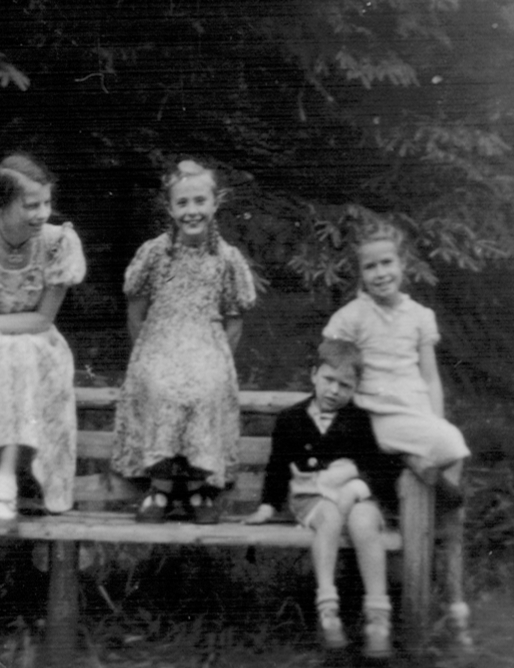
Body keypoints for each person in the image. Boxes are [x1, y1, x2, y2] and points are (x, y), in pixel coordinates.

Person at [111, 158, 256, 524]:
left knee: (206, 387)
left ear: (215, 202)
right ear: (170, 208)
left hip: (207, 344)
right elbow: (136, 312)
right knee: (160, 385)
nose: (192, 211)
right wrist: (144, 357)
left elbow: (234, 321)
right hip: (159, 341)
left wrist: (219, 363)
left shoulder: (226, 259)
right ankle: (159, 488)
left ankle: (198, 488)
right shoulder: (155, 254)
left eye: (199, 201)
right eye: (183, 203)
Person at [0, 152, 86, 534]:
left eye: (46, 203)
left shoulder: (57, 243)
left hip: (35, 341)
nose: (43, 213)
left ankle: (4, 478)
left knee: (23, 353)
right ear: (4, 204)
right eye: (31, 205)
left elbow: (42, 320)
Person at [246, 338, 403, 658]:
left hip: (357, 499)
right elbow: (277, 467)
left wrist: (357, 486)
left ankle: (378, 619)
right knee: (329, 515)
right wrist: (266, 507)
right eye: (329, 380)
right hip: (312, 500)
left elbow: (378, 467)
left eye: (345, 385)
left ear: (356, 387)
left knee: (363, 521)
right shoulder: (291, 418)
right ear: (314, 375)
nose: (334, 390)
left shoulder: (359, 419)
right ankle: (327, 610)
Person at [322, 219, 470, 500]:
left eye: (387, 263)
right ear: (361, 274)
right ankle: (438, 501)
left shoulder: (419, 316)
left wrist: (434, 419)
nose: (380, 273)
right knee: (452, 444)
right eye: (370, 267)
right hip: (380, 414)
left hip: (415, 409)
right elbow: (333, 369)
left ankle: (445, 533)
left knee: (448, 444)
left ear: (402, 263)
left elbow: (430, 377)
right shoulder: (352, 317)